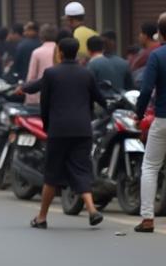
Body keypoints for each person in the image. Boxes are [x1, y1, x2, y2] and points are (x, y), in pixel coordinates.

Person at [26, 36, 107, 228]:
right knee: (81, 169)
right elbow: (99, 98)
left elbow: (44, 104)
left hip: (59, 129)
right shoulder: (86, 73)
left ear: (60, 53)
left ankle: (42, 217)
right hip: (82, 129)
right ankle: (92, 210)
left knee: (52, 175)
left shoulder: (51, 73)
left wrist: (46, 125)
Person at [134, 12, 166, 234]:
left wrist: (138, 113)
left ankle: (147, 218)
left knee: (151, 167)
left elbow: (145, 90)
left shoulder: (156, 56)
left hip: (163, 119)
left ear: (159, 33)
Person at [24, 23, 60, 105]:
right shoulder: (60, 51)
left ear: (41, 36)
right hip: (59, 93)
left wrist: (30, 99)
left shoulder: (37, 52)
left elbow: (32, 77)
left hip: (41, 94)